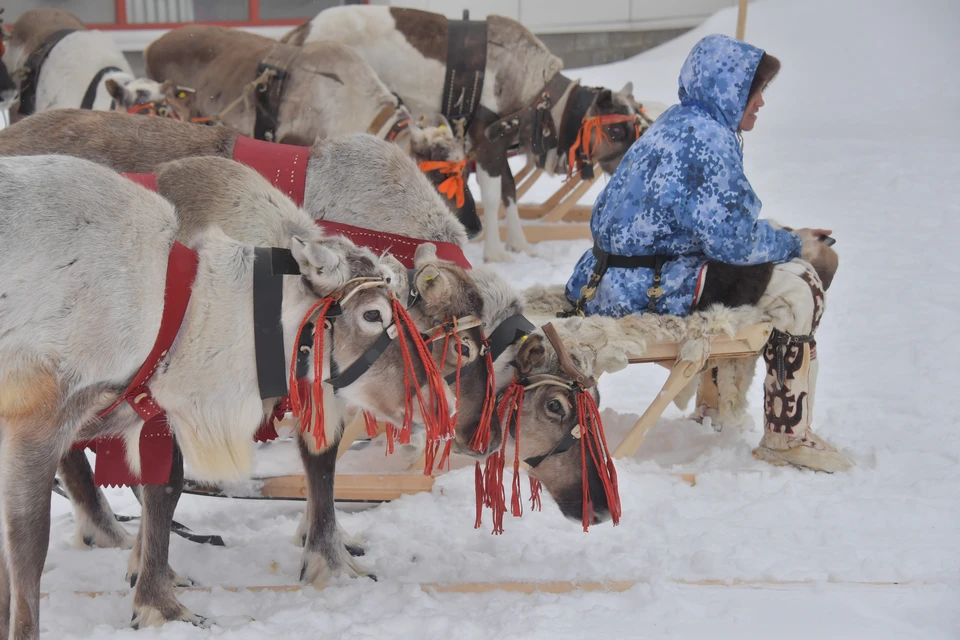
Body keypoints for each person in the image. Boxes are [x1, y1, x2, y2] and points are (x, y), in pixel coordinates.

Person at [565, 34, 852, 472]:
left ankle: (717, 407)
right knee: (799, 286)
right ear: (729, 88)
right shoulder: (709, 140)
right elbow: (733, 243)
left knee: (765, 268)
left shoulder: (676, 123)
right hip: (650, 287)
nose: (759, 103)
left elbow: (710, 227)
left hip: (608, 280)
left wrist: (781, 236)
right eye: (755, 92)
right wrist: (799, 243)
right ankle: (786, 435)